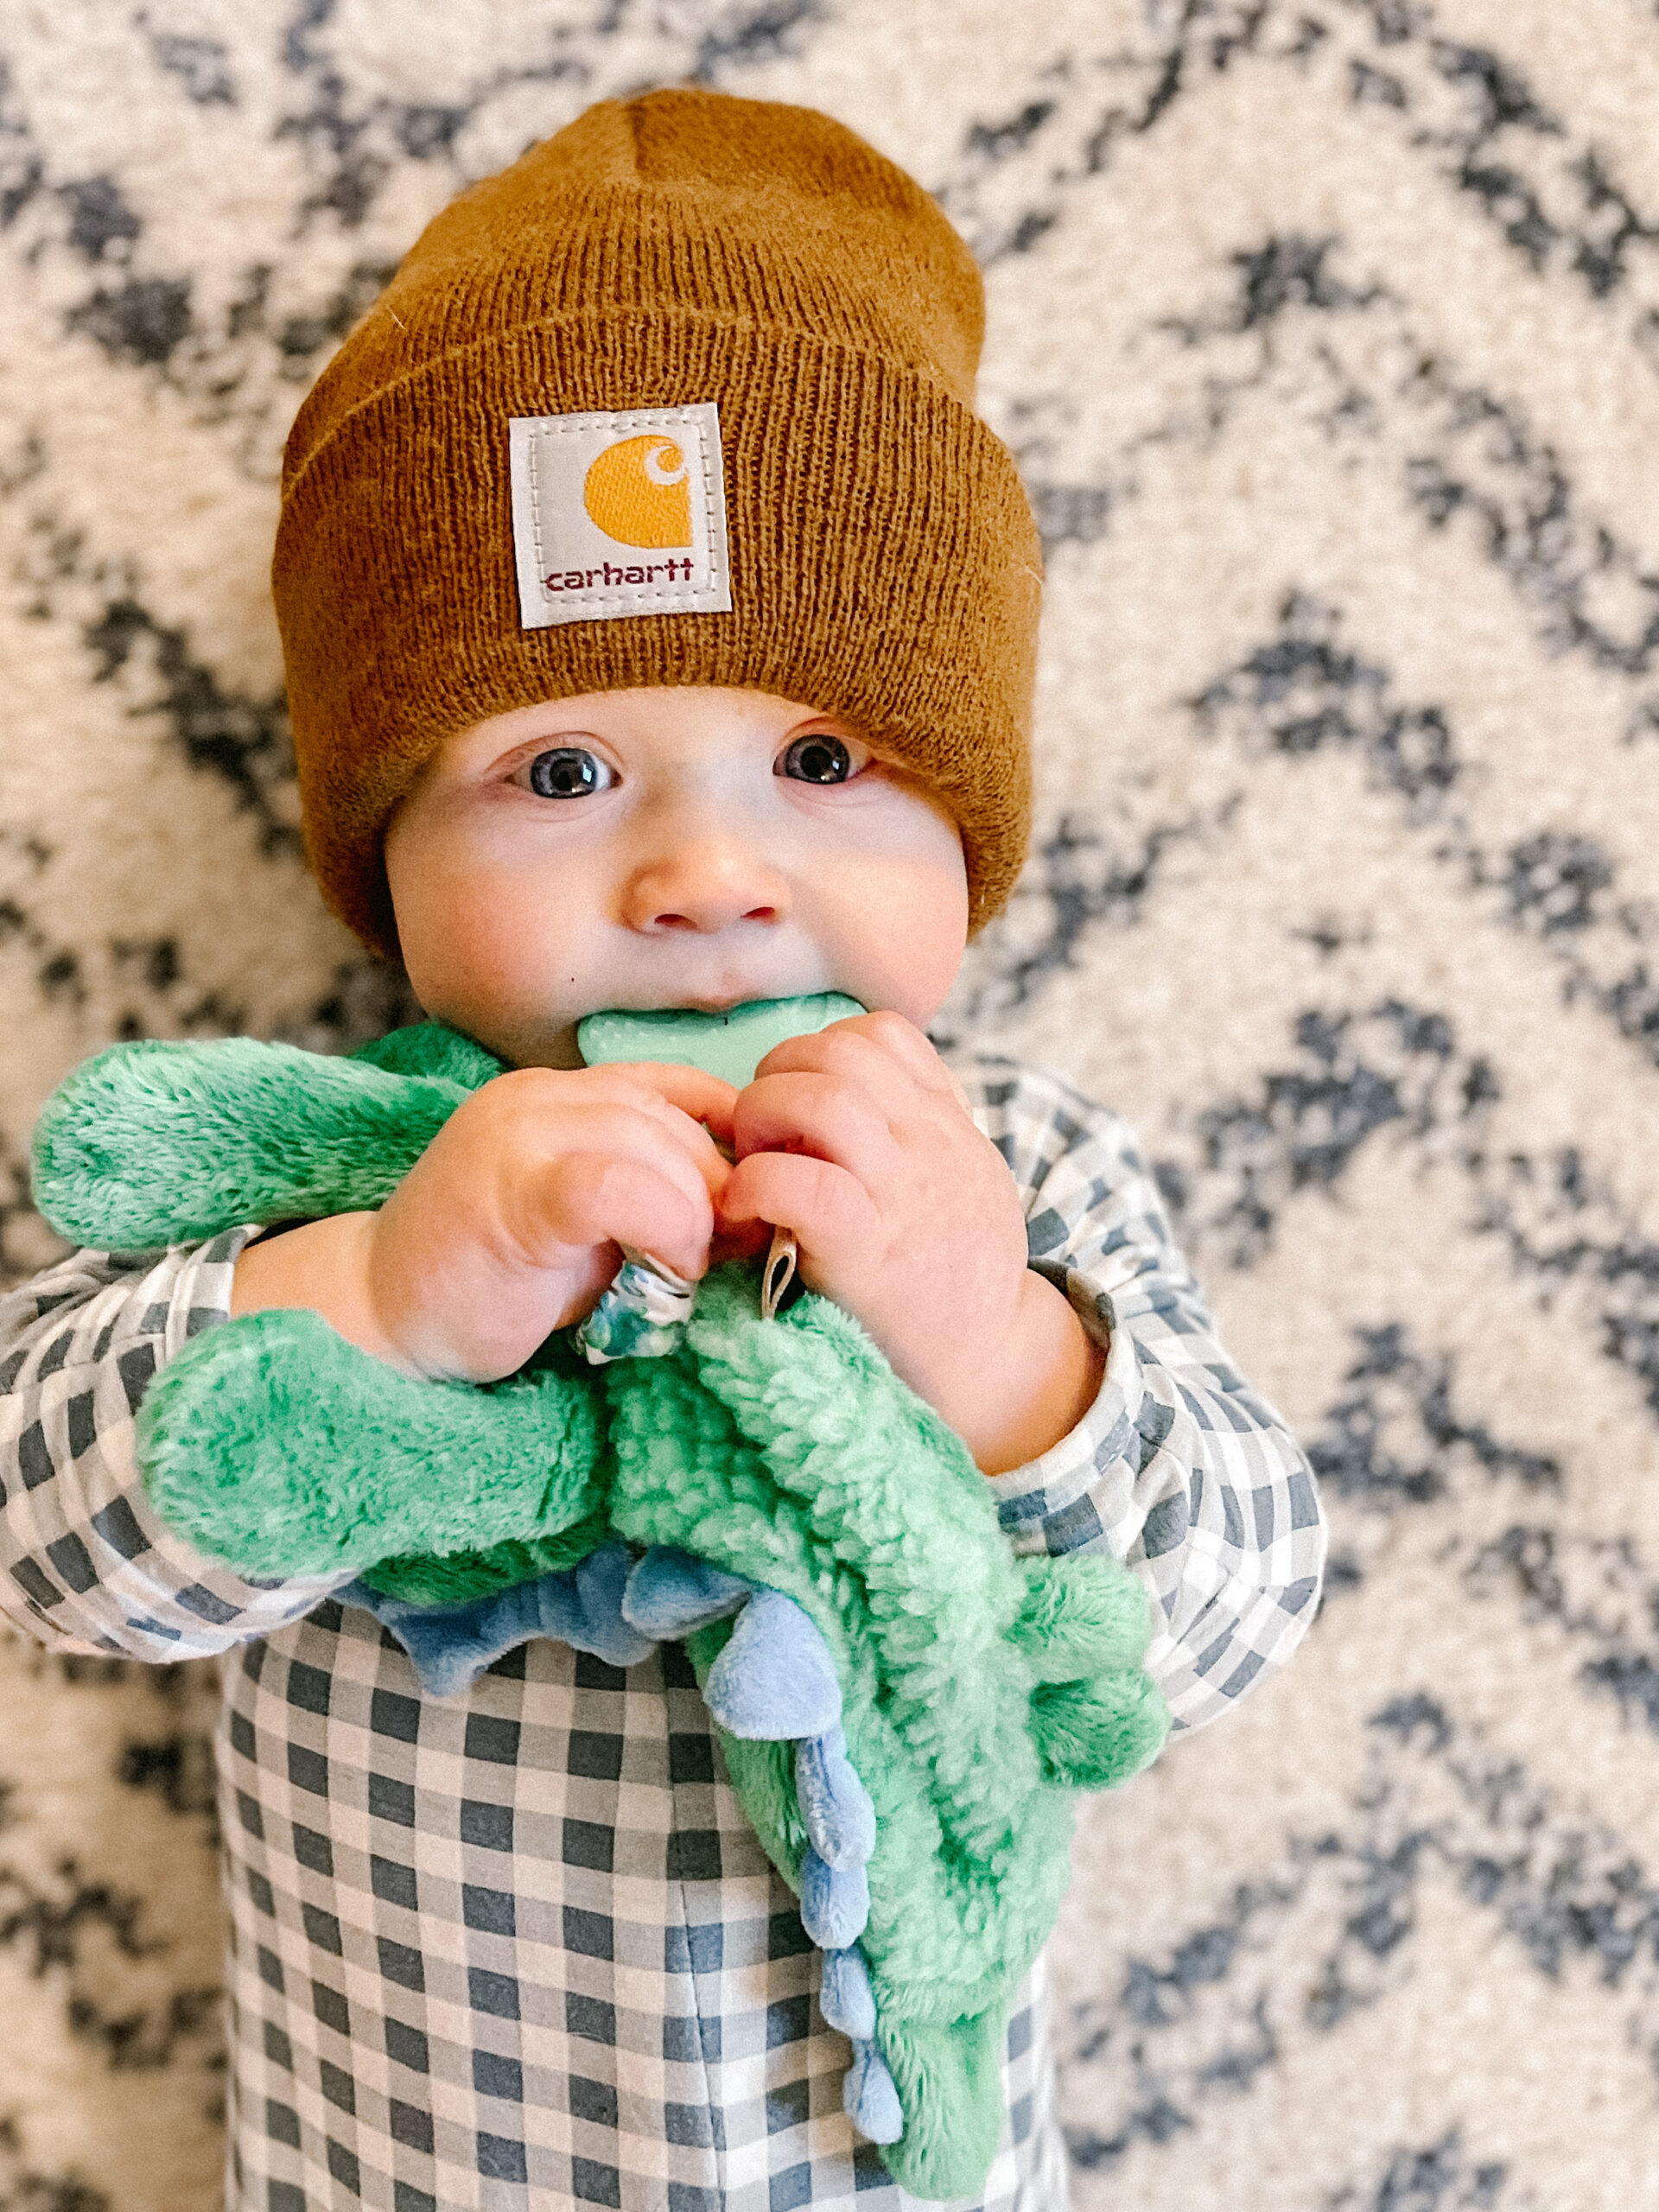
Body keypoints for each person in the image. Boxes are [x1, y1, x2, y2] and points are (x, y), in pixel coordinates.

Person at [0, 88, 1325, 2212]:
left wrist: (996, 1345)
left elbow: (1223, 1614)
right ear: (385, 852)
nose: (707, 870)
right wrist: (381, 1297)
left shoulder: (1013, 1170)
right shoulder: (333, 1176)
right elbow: (50, 1536)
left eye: (825, 754)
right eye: (563, 770)